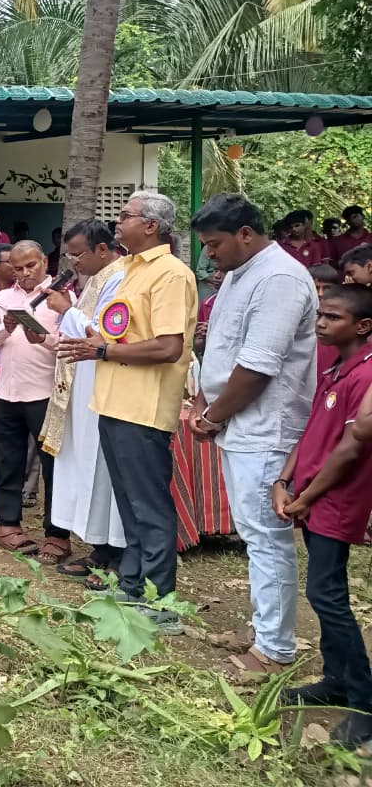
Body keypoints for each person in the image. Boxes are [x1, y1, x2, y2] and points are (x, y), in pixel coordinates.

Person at [59, 190, 197, 635]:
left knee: (150, 508)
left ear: (152, 225)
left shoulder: (171, 275)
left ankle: (162, 602)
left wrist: (103, 348)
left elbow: (168, 345)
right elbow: (113, 327)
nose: (117, 223)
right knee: (130, 505)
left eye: (126, 216)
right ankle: (133, 585)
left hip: (145, 405)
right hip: (113, 400)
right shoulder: (124, 270)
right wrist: (91, 338)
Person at [190, 194, 316, 678]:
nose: (209, 255)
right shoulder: (243, 273)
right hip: (237, 421)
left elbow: (259, 366)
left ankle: (274, 650)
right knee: (253, 534)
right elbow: (223, 347)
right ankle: (265, 630)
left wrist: (214, 415)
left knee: (266, 539)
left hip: (265, 427)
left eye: (215, 244)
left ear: (246, 233)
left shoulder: (280, 278)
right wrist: (207, 401)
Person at [273, 283, 372, 747]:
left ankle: (363, 699)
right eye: (321, 315)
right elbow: (314, 429)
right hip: (310, 492)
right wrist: (284, 480)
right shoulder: (334, 368)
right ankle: (335, 678)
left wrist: (309, 495)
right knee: (324, 591)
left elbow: (352, 446)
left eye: (332, 317)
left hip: (335, 498)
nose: (320, 323)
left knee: (327, 593)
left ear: (362, 326)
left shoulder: (366, 376)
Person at [39, 220, 127, 586]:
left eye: (78, 253)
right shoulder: (97, 276)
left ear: (102, 249)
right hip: (81, 389)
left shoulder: (120, 278)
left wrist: (66, 309)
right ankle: (100, 549)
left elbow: (105, 334)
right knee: (87, 473)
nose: (72, 261)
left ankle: (118, 556)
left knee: (104, 474)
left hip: (104, 391)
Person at [0, 240, 70, 562]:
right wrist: (4, 329)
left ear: (44, 261)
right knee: (9, 460)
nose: (24, 273)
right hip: (8, 392)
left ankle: (57, 533)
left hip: (46, 394)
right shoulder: (4, 298)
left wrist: (42, 338)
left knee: (52, 466)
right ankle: (7, 524)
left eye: (31, 266)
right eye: (17, 269)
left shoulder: (60, 298)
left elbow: (70, 345)